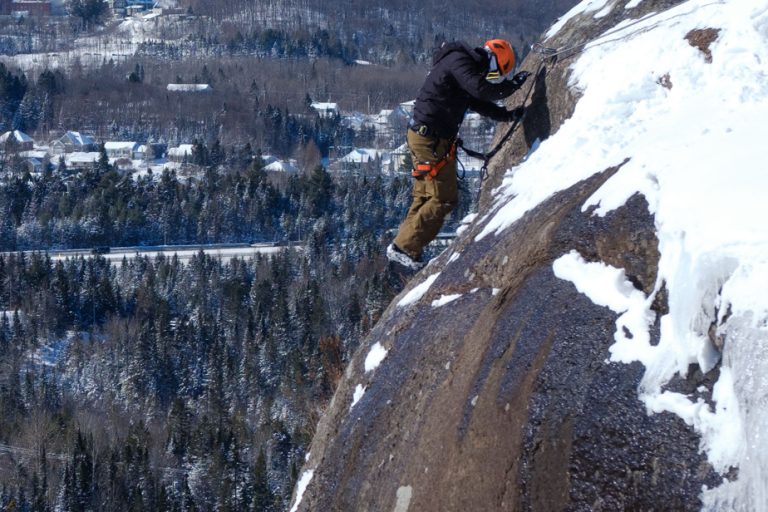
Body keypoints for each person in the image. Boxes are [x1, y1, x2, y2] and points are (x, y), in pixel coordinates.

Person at [387, 39, 530, 270]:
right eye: (494, 73)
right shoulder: (459, 61)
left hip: (427, 137)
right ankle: (405, 247)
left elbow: (477, 101)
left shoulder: (459, 65)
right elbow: (481, 90)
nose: (489, 76)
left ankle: (402, 247)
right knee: (443, 198)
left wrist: (507, 115)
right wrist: (512, 85)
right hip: (431, 138)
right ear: (494, 62)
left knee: (425, 195)